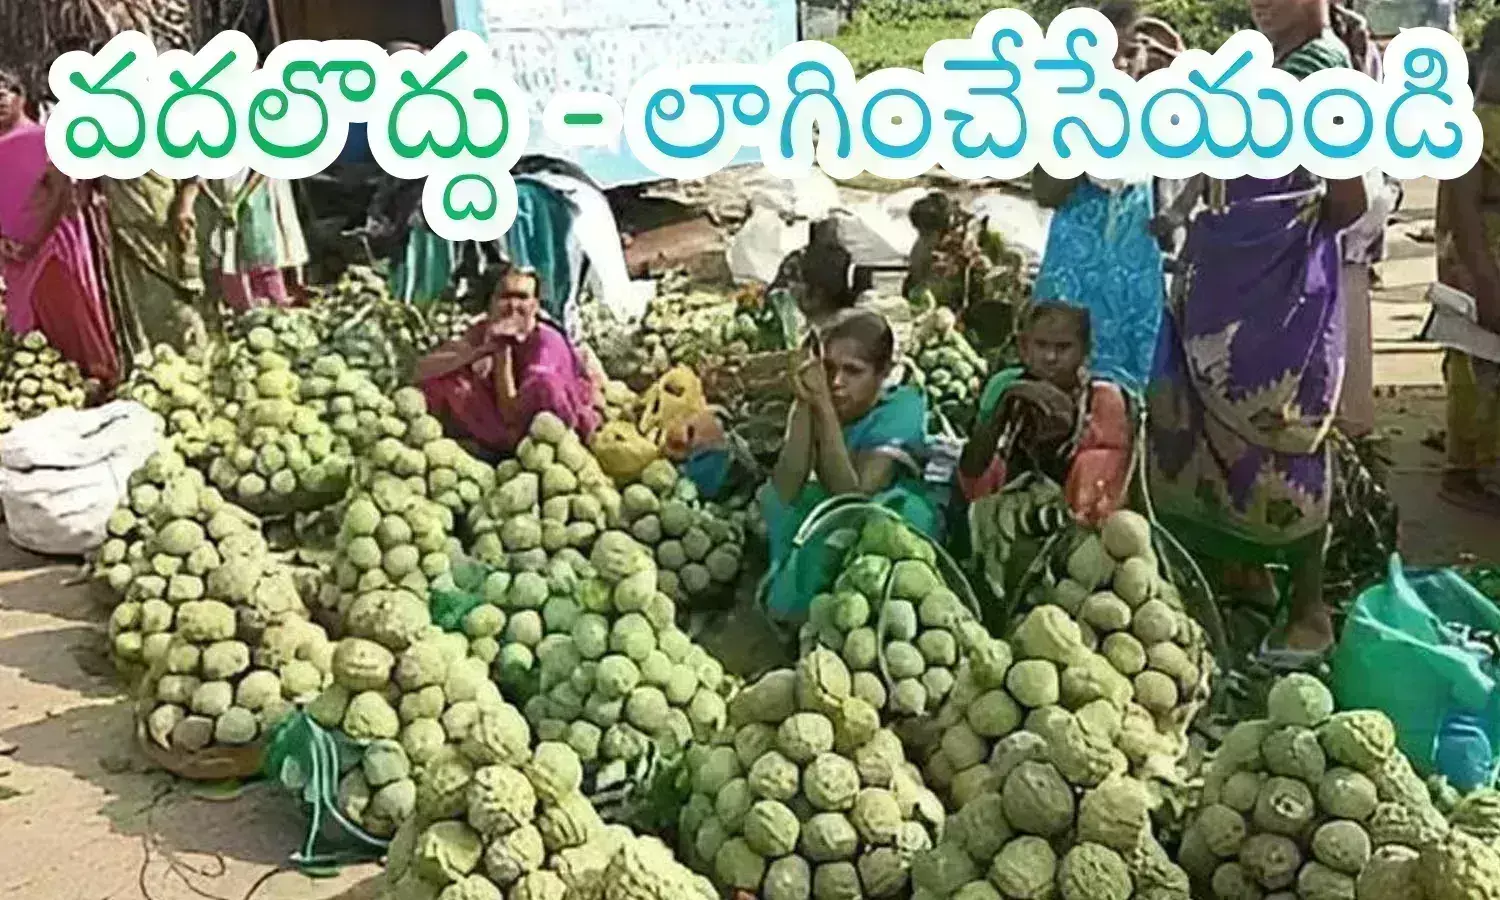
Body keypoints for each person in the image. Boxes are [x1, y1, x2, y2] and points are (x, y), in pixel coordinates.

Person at [1147, 0, 1369, 664]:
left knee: (1286, 437)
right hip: (1224, 287)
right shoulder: (1261, 63)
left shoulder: (1324, 74)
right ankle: (1243, 569)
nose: (1263, 3)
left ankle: (1309, 609)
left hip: (1282, 296)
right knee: (1211, 434)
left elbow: (1348, 200)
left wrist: (1274, 243)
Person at [759, 309, 938, 621]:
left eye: (853, 371)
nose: (837, 382)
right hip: (839, 503)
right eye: (828, 369)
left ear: (883, 373)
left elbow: (857, 502)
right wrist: (804, 402)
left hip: (884, 517)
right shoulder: (824, 393)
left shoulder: (902, 407)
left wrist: (824, 408)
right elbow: (786, 488)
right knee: (776, 500)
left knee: (896, 518)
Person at [958, 303, 1133, 523]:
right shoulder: (1009, 386)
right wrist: (1003, 405)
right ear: (1024, 347)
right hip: (1014, 517)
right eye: (1041, 345)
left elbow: (1102, 476)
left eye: (1063, 348)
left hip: (1080, 523)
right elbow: (972, 470)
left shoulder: (1103, 398)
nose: (1050, 357)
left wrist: (1068, 426)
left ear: (1085, 350)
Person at [0, 69, 119, 384]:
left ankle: (96, 377)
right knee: (31, 327)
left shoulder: (41, 138)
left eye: (4, 95)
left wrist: (34, 240)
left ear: (21, 97)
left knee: (67, 312)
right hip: (12, 251)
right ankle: (54, 382)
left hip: (51, 241)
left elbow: (59, 190)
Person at [415, 265, 600, 461]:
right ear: (490, 303)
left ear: (535, 305)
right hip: (499, 419)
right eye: (505, 297)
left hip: (537, 434)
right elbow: (422, 370)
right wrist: (480, 351)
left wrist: (502, 353)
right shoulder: (484, 330)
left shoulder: (546, 344)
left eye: (522, 298)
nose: (513, 306)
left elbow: (513, 415)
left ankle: (508, 454)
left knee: (543, 385)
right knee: (445, 381)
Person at [1331, 4, 1404, 439]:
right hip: (1340, 227)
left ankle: (1347, 440)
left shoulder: (1350, 42)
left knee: (1346, 336)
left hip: (1345, 225)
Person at [1436, 47, 1500, 512]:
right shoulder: (1475, 130)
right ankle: (1465, 472)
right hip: (1485, 264)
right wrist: (1483, 276)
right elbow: (1461, 209)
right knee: (1475, 369)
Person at [198, 170, 310, 311]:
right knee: (227, 262)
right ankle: (244, 309)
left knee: (262, 259)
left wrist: (237, 201)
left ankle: (274, 305)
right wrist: (217, 204)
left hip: (253, 199)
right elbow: (198, 178)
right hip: (219, 204)